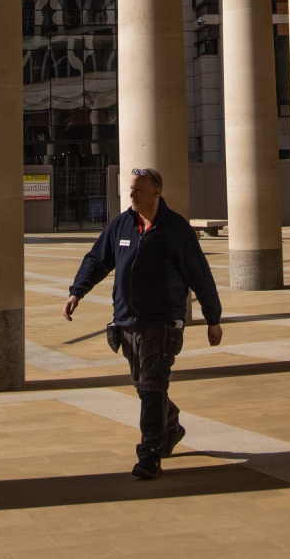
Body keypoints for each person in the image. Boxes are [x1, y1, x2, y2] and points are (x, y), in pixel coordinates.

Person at [65, 167, 224, 479]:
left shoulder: (176, 229)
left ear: (156, 192)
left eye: (138, 189)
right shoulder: (121, 225)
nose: (132, 194)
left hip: (162, 322)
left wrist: (212, 318)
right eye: (131, 189)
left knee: (151, 386)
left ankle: (150, 455)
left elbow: (199, 274)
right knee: (144, 385)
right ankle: (172, 423)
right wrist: (77, 292)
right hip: (126, 320)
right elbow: (97, 259)